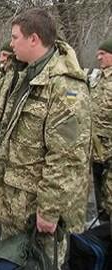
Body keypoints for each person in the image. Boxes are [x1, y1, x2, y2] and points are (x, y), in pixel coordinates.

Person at [0, 9, 91, 268]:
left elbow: (66, 156)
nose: (11, 43)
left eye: (15, 37)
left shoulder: (65, 86)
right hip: (14, 200)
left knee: (40, 263)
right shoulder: (23, 74)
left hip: (38, 209)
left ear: (34, 39)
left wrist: (50, 209)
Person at [91, 37, 112, 220]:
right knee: (99, 194)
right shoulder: (97, 77)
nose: (99, 57)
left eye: (103, 54)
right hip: (95, 148)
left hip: (109, 148)